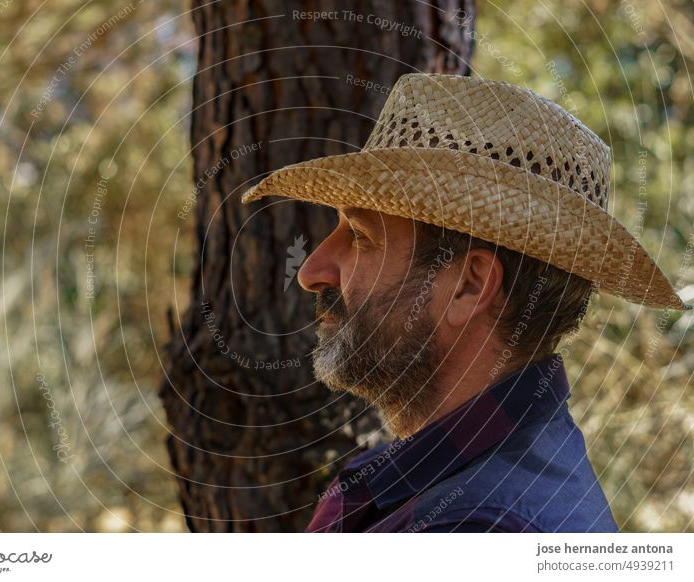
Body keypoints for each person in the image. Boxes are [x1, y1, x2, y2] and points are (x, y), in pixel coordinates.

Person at [241, 73, 691, 532]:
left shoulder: (477, 528)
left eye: (360, 236)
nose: (311, 272)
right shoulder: (438, 476)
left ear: (469, 286)